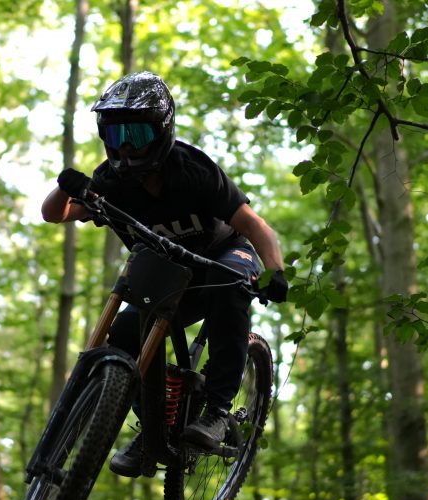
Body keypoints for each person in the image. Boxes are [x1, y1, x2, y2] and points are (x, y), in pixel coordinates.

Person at [41, 71, 288, 478]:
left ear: (161, 131)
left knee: (230, 289)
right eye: (117, 135)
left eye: (136, 135)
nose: (126, 146)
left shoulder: (193, 170)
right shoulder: (110, 181)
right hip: (170, 277)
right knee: (125, 331)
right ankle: (154, 427)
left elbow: (254, 225)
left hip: (223, 257)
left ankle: (217, 410)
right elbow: (56, 214)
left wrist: (275, 272)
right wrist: (65, 186)